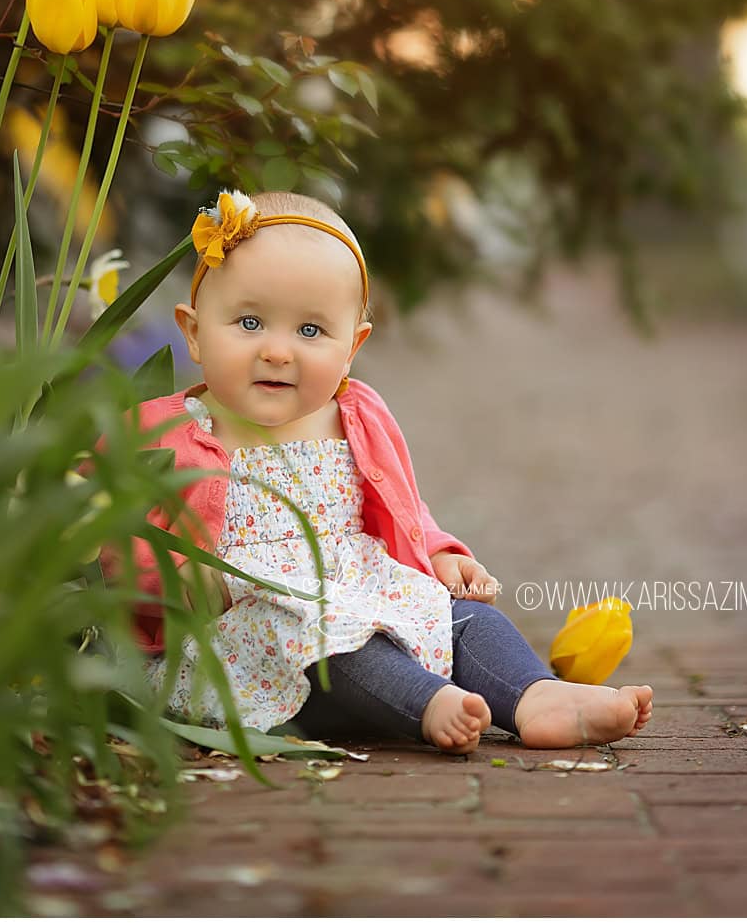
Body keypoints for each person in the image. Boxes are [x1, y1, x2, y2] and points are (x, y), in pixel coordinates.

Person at [113, 188, 654, 753]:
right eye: (250, 323)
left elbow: (402, 506)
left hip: (363, 595)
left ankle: (535, 696)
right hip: (256, 644)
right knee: (330, 636)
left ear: (353, 347)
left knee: (464, 618)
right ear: (195, 332)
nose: (277, 351)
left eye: (310, 331)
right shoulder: (161, 433)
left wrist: (442, 553)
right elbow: (120, 540)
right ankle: (428, 702)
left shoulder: (357, 416)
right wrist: (178, 582)